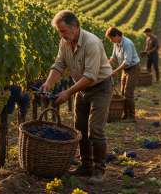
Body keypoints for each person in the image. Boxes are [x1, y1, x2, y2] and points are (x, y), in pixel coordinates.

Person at [40, 10, 113, 184]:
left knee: (95, 128)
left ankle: (100, 171)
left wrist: (68, 92)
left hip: (100, 87)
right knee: (79, 129)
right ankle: (86, 165)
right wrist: (48, 82)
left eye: (63, 30)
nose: (61, 34)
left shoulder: (91, 43)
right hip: (83, 89)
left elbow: (90, 76)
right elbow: (59, 65)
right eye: (59, 31)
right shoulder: (65, 42)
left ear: (74, 26)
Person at [107, 27, 141, 123]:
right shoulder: (116, 44)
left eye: (112, 38)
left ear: (117, 35)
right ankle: (126, 114)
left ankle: (132, 116)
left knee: (128, 93)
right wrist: (104, 65)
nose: (111, 40)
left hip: (133, 69)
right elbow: (114, 58)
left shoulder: (127, 43)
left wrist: (116, 71)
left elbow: (127, 61)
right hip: (125, 70)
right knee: (123, 93)